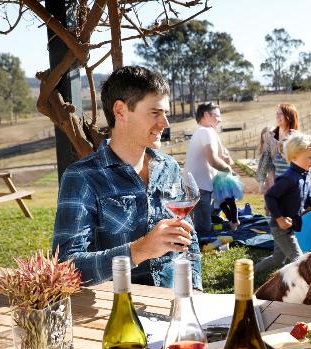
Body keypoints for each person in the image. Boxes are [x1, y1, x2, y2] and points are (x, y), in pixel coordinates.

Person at [52, 66, 201, 289]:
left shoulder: (168, 167)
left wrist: (196, 289)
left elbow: (190, 239)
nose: (165, 123)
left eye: (165, 113)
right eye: (155, 113)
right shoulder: (83, 177)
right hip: (120, 308)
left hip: (176, 302)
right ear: (120, 111)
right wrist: (139, 250)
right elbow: (66, 267)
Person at [255, 133, 311, 276]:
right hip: (281, 227)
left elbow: (308, 198)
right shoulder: (288, 178)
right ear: (294, 156)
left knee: (278, 259)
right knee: (300, 261)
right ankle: (307, 289)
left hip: (290, 225)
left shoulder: (305, 176)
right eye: (309, 157)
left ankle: (250, 273)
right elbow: (270, 196)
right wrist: (279, 218)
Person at [185, 102, 232, 235]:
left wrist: (225, 158)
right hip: (199, 186)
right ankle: (201, 234)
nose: (220, 119)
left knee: (219, 202)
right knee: (204, 229)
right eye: (217, 115)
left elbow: (220, 154)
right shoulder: (204, 131)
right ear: (206, 115)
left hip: (206, 184)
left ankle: (210, 219)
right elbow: (212, 159)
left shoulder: (208, 131)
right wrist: (228, 169)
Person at [255, 103, 300, 195]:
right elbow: (265, 159)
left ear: (289, 117)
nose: (277, 116)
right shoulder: (272, 136)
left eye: (280, 114)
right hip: (277, 184)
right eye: (277, 113)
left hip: (294, 185)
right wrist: (261, 182)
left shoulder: (296, 137)